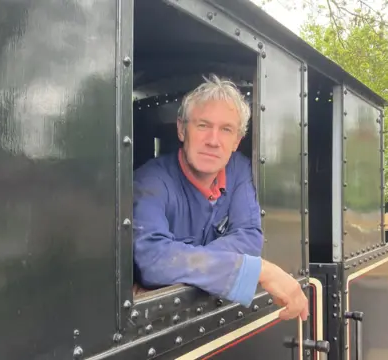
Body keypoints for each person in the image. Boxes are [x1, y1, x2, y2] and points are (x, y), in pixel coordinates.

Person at [132, 74, 308, 321]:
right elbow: (152, 258)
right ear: (182, 130)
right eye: (203, 125)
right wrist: (256, 270)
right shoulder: (149, 180)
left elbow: (249, 237)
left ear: (237, 141)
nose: (213, 141)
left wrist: (190, 261)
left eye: (226, 130)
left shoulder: (239, 170)